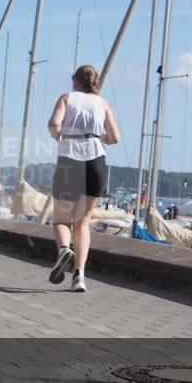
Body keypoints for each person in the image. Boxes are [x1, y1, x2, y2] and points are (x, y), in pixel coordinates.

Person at [46, 65, 120, 292]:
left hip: (70, 159)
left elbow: (52, 124)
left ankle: (64, 250)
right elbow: (115, 138)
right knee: (83, 221)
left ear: (76, 80)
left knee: (61, 219)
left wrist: (60, 135)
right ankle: (79, 276)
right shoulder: (103, 103)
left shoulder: (67, 98)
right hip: (96, 160)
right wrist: (98, 136)